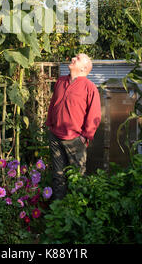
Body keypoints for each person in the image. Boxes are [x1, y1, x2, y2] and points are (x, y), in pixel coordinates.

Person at [46, 53, 101, 200]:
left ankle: (77, 210)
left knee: (77, 176)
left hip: (75, 140)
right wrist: (49, 125)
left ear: (84, 68)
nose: (72, 59)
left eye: (77, 58)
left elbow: (95, 114)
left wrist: (85, 136)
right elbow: (53, 104)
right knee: (58, 175)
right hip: (55, 136)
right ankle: (58, 210)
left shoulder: (90, 87)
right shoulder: (61, 81)